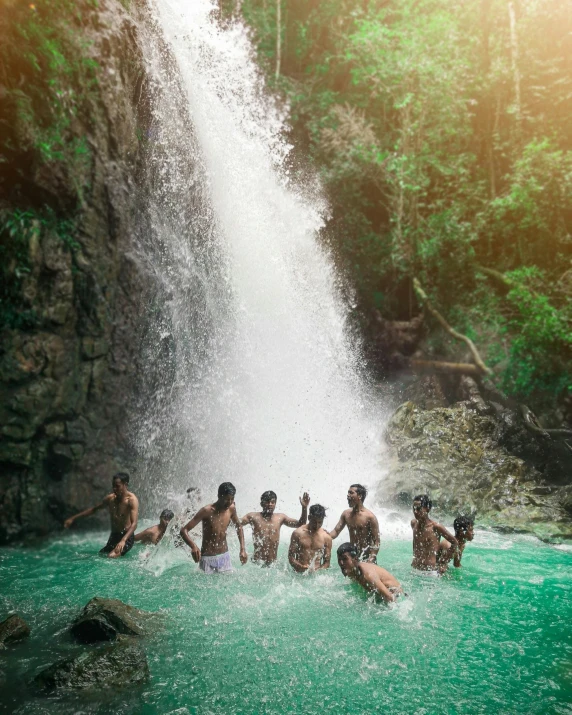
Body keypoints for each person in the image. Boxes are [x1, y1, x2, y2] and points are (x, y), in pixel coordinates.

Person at [63, 473, 139, 558]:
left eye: (117, 486)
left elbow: (134, 524)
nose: (114, 489)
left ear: (125, 485)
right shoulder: (110, 499)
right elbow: (93, 510)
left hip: (126, 537)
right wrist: (73, 518)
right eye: (113, 486)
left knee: (111, 556)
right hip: (114, 536)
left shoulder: (132, 500)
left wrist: (123, 540)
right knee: (100, 556)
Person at [180, 482, 248, 573]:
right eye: (227, 499)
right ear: (219, 496)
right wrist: (194, 546)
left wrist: (242, 549)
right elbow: (184, 530)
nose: (230, 502)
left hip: (225, 557)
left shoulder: (231, 508)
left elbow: (239, 526)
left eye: (232, 499)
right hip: (207, 559)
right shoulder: (206, 511)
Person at [240, 490, 310, 565]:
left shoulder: (280, 518)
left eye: (273, 502)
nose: (270, 504)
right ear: (261, 504)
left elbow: (301, 524)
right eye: (267, 502)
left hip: (273, 565)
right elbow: (237, 523)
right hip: (257, 563)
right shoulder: (253, 517)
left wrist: (304, 507)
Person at [337, 542, 404, 603]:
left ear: (355, 559)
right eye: (339, 559)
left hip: (399, 598)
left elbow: (390, 598)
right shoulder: (353, 572)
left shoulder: (368, 575)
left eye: (345, 559)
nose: (341, 563)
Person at [328, 484, 380, 562]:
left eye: (351, 493)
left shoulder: (370, 517)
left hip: (367, 558)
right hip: (353, 557)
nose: (348, 495)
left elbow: (376, 541)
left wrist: (372, 558)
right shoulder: (346, 514)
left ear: (359, 496)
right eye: (348, 492)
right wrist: (324, 536)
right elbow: (336, 531)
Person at [411, 494, 458, 574]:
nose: (415, 512)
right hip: (414, 569)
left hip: (429, 572)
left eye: (419, 509)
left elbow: (455, 542)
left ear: (428, 509)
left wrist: (443, 562)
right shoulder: (413, 523)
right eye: (414, 509)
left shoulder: (436, 527)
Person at [288, 504, 332, 573]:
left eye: (320, 522)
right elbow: (291, 557)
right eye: (314, 522)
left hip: (316, 576)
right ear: (309, 517)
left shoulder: (326, 538)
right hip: (298, 574)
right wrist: (300, 566)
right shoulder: (297, 533)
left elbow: (327, 563)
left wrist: (318, 570)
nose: (317, 525)